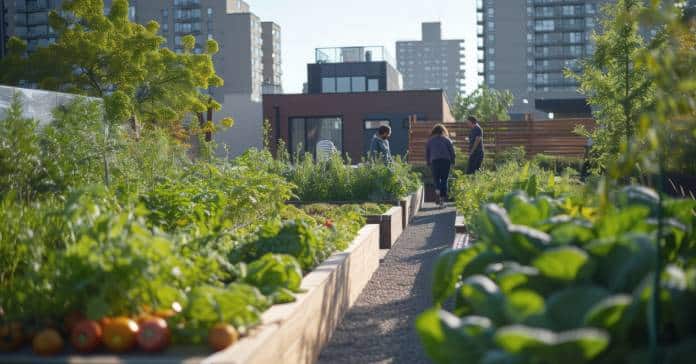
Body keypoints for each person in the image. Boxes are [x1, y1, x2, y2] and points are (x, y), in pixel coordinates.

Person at [426, 124, 455, 208]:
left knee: (436, 179)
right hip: (446, 161)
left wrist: (428, 162)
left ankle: (437, 191)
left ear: (434, 131)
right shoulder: (447, 140)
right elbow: (452, 152)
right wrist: (453, 161)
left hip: (434, 161)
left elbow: (427, 152)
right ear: (443, 131)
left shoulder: (430, 141)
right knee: (444, 180)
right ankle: (442, 201)